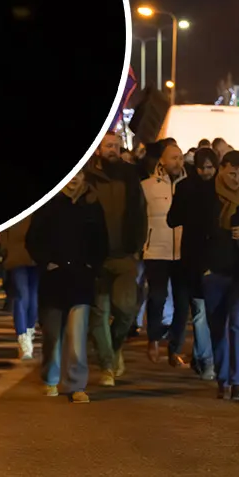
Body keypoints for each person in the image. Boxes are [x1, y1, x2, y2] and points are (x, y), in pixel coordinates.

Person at [25, 170, 107, 403]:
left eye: (78, 173)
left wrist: (92, 265)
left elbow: (102, 240)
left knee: (77, 336)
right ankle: (51, 379)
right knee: (52, 336)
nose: (73, 178)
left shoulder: (92, 204)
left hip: (81, 279)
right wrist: (46, 262)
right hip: (54, 279)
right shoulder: (48, 203)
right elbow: (33, 238)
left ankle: (76, 384)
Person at [84, 132, 147, 385]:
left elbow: (140, 211)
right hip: (96, 257)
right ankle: (107, 366)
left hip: (124, 255)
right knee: (98, 314)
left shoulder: (129, 175)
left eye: (117, 146)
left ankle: (114, 347)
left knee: (126, 311)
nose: (114, 150)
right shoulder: (87, 176)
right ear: (98, 149)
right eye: (109, 146)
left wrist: (137, 246)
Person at [201, 150, 239, 401]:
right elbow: (195, 231)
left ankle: (237, 382)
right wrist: (202, 267)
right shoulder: (207, 195)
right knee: (217, 326)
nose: (237, 179)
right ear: (222, 169)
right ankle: (222, 378)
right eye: (232, 173)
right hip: (213, 270)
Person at [166, 147, 218, 378]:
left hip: (205, 255)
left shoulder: (190, 187)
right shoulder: (190, 188)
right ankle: (206, 360)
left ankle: (203, 358)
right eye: (202, 167)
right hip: (195, 256)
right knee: (201, 310)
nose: (206, 172)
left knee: (202, 311)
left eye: (209, 167)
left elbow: (173, 219)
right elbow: (173, 219)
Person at [140, 140, 185, 365]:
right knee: (157, 297)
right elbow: (139, 218)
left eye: (180, 157)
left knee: (181, 302)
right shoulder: (147, 186)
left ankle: (175, 348)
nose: (178, 162)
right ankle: (153, 338)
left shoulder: (188, 185)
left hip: (183, 251)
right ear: (162, 160)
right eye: (173, 158)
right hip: (156, 250)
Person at [0, 216, 39, 360]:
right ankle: (26, 333)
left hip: (19, 254)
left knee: (24, 296)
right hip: (32, 254)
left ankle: (25, 336)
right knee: (28, 295)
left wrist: (4, 249)